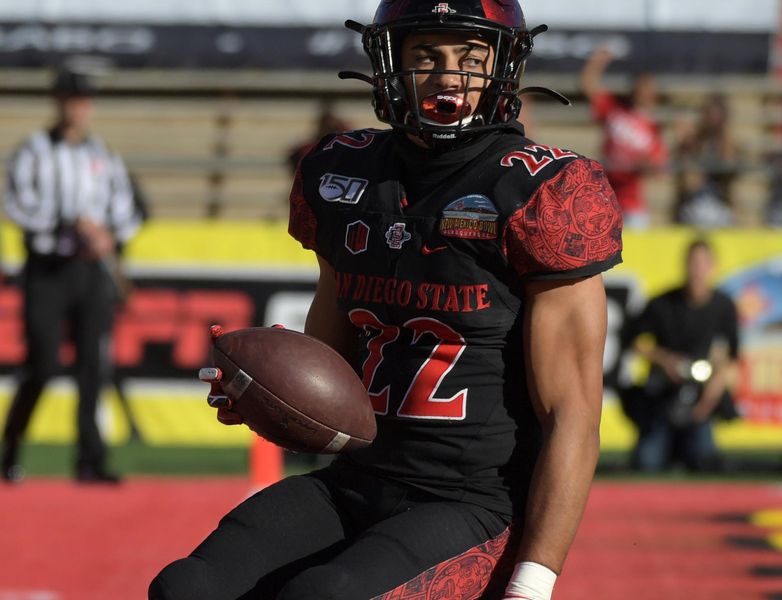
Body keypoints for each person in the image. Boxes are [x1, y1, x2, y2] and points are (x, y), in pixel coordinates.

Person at [150, 2, 622, 599]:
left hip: (471, 503)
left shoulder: (545, 192)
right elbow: (331, 359)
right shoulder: (343, 173)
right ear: (389, 64)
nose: (449, 77)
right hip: (358, 479)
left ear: (503, 68)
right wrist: (269, 394)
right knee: (186, 587)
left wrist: (533, 581)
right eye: (426, 56)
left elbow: (572, 418)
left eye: (471, 58)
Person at [1, 69, 142, 484]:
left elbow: (125, 209)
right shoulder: (34, 151)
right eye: (69, 99)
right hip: (47, 269)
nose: (76, 108)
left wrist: (107, 234)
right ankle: (11, 448)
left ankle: (89, 459)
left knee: (92, 367)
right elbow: (17, 205)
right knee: (42, 362)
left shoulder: (102, 154)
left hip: (89, 271)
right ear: (58, 102)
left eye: (82, 100)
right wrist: (66, 222)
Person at [622, 238, 739, 472]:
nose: (697, 269)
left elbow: (730, 357)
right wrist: (665, 360)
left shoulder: (724, 306)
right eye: (693, 262)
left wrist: (711, 394)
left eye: (703, 263)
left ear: (713, 266)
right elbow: (633, 340)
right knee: (646, 463)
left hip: (700, 397)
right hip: (663, 396)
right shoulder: (662, 303)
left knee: (704, 462)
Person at [580, 45, 668, 228]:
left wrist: (646, 164)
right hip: (603, 194)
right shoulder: (615, 109)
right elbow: (588, 85)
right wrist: (599, 60)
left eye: (648, 87)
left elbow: (660, 170)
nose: (643, 91)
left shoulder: (653, 128)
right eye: (641, 86)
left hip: (631, 203)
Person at [672, 94, 739, 228]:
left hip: (719, 205)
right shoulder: (692, 144)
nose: (713, 121)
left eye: (718, 116)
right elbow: (690, 183)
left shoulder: (728, 144)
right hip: (694, 205)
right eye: (709, 115)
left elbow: (730, 170)